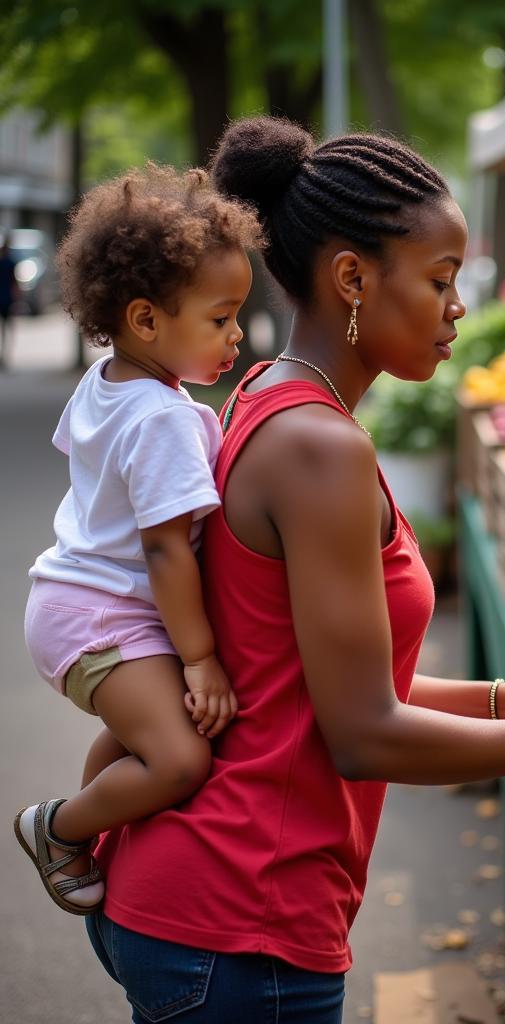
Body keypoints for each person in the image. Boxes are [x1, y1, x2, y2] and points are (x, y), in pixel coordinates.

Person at [84, 118, 505, 1023]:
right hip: (240, 927)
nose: (458, 307)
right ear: (352, 279)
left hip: (202, 909)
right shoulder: (318, 448)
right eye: (442, 281)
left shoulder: (267, 393)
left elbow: (309, 681)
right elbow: (363, 733)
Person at [15, 166, 261, 917]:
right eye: (220, 319)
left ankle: (91, 819)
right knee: (182, 758)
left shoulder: (111, 380)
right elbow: (165, 549)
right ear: (147, 321)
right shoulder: (163, 419)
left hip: (73, 601)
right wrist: (201, 657)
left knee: (141, 743)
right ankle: (55, 827)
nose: (238, 334)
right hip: (101, 621)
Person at [0, 237, 18, 367]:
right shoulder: (11, 262)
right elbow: (15, 284)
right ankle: (5, 354)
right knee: (6, 329)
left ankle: (3, 355)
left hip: (5, 299)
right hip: (6, 299)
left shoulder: (9, 263)